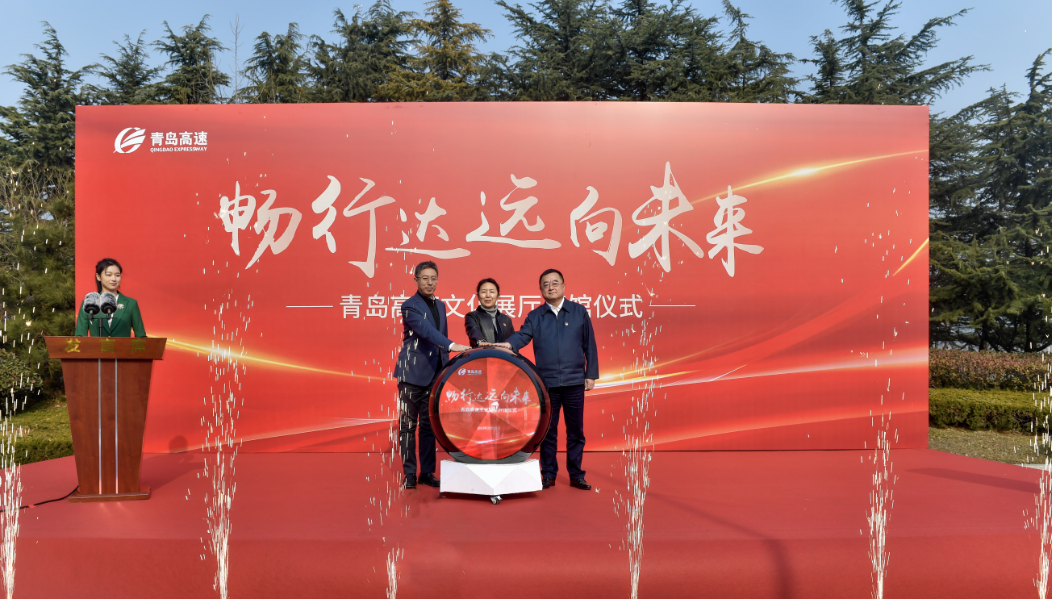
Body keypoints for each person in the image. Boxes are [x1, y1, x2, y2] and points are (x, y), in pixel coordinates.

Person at [498, 268, 598, 491]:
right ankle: (548, 474)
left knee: (575, 432)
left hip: (574, 381)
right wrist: (509, 344)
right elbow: (522, 336)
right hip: (547, 384)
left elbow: (589, 344)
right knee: (548, 432)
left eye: (555, 283)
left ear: (563, 286)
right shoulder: (535, 316)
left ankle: (576, 475)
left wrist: (590, 374)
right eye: (546, 284)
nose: (550, 287)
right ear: (540, 290)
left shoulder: (579, 311)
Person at [393, 261, 470, 489]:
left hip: (434, 374)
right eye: (425, 278)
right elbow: (426, 332)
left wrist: (446, 369)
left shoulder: (442, 306)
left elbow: (440, 337)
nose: (430, 282)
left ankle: (427, 472)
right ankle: (409, 474)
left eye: (433, 278)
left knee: (428, 426)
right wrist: (452, 345)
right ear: (416, 280)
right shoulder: (410, 305)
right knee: (408, 426)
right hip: (411, 373)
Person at [73, 258, 146, 337]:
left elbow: (141, 337)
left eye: (117, 275)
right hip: (96, 346)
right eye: (109, 275)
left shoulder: (131, 304)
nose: (114, 279)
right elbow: (80, 337)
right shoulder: (89, 303)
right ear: (98, 277)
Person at [465, 278, 515, 347]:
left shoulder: (506, 319)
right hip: (483, 353)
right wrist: (480, 341)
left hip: (503, 354)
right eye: (483, 292)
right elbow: (473, 332)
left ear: (497, 295)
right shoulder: (472, 316)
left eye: (492, 291)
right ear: (478, 296)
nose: (488, 295)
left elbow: (512, 341)